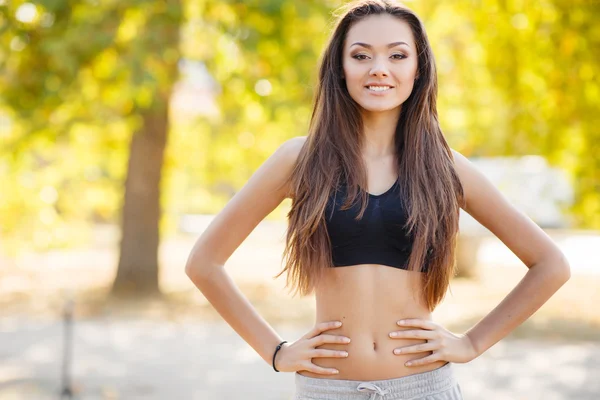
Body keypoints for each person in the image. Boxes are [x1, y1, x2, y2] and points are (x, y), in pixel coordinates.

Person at [184, 0, 571, 399]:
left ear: (418, 69)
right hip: (327, 390)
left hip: (423, 389)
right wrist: (277, 352)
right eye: (361, 55)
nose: (379, 68)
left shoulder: (445, 167)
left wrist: (471, 344)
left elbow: (550, 265)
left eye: (398, 55)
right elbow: (204, 263)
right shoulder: (299, 160)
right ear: (340, 68)